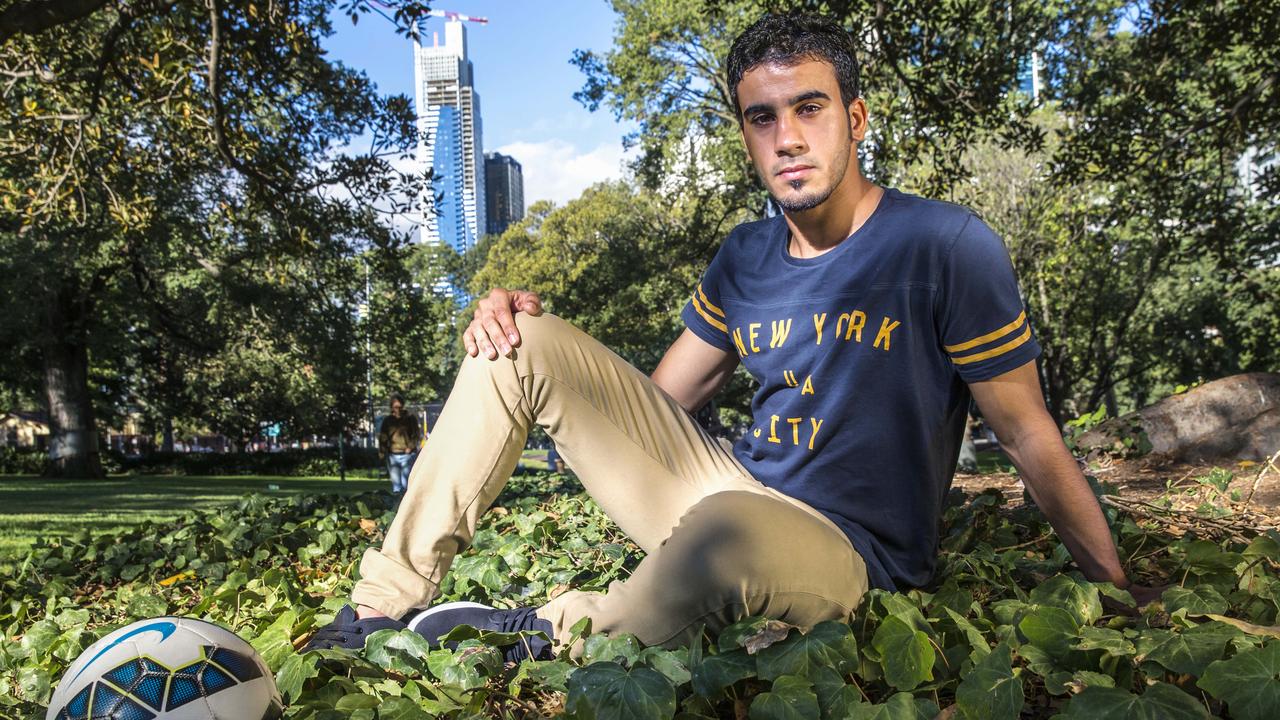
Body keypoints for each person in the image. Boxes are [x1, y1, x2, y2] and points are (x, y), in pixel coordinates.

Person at [307, 13, 1160, 657]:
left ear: (856, 119)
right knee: (520, 342)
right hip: (727, 490)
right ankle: (379, 611)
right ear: (745, 133)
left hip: (849, 553)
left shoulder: (944, 246)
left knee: (729, 540)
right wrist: (532, 346)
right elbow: (659, 405)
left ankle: (538, 628)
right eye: (762, 117)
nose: (787, 137)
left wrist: (1114, 585)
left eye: (810, 108)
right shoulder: (746, 256)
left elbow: (1025, 432)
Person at [377, 394, 421, 495]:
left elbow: (416, 434)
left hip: (407, 455)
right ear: (392, 407)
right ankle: (396, 506)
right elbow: (383, 436)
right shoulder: (388, 420)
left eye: (400, 406)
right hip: (393, 455)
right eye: (395, 407)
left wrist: (410, 447)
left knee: (406, 484)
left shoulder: (410, 419)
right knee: (396, 485)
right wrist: (382, 452)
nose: (398, 409)